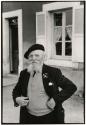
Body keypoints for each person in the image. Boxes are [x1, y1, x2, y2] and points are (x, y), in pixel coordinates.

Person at [12, 43, 77, 124]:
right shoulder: (24, 73)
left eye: (37, 55)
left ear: (43, 57)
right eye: (31, 56)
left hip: (50, 117)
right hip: (28, 117)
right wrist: (16, 99)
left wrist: (55, 99)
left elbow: (71, 87)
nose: (33, 58)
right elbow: (16, 90)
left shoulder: (53, 72)